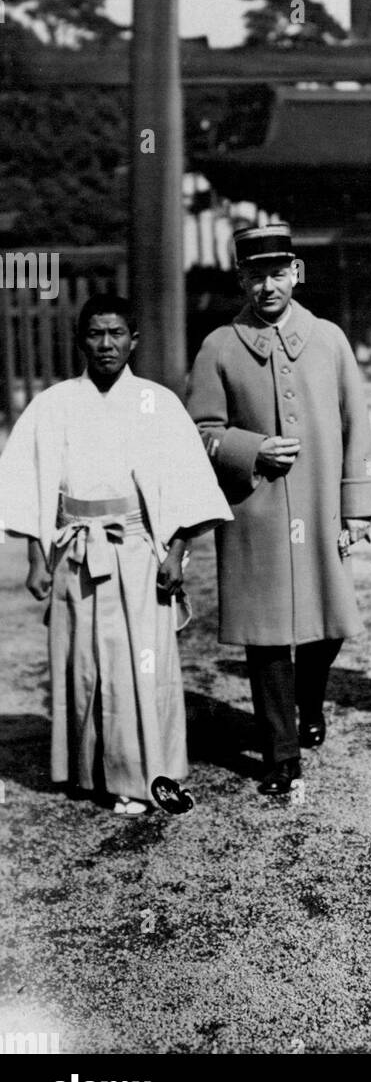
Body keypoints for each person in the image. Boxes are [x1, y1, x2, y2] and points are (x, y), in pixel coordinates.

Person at [0, 294, 232, 815]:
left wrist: (176, 552)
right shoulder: (54, 403)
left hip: (137, 550)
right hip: (75, 549)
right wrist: (38, 557)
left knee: (140, 667)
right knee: (82, 662)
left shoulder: (157, 401)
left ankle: (145, 775)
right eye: (95, 334)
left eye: (117, 333)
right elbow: (25, 481)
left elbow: (186, 484)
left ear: (134, 340)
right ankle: (88, 771)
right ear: (80, 340)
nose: (106, 344)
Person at [187, 224, 371, 795]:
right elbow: (200, 431)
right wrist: (252, 448)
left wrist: (358, 508)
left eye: (278, 272)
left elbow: (356, 427)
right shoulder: (219, 345)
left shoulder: (329, 339)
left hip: (321, 505)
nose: (267, 285)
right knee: (267, 635)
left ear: (295, 271)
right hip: (256, 508)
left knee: (328, 623)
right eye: (255, 274)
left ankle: (309, 701)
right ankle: (280, 752)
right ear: (240, 277)